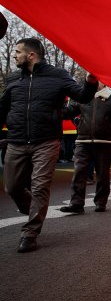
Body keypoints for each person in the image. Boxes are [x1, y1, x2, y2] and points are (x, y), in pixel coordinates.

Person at [0, 38, 98, 252]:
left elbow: (82, 96)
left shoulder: (59, 76)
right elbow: (2, 108)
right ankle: (34, 210)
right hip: (16, 141)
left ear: (31, 55)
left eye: (17, 52)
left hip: (46, 141)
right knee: (12, 187)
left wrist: (90, 82)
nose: (15, 55)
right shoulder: (13, 79)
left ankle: (30, 233)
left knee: (39, 186)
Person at [60, 82, 111, 213]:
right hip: (83, 141)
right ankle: (76, 203)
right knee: (79, 172)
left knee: (102, 174)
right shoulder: (82, 96)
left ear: (103, 82)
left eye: (97, 79)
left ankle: (101, 202)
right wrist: (59, 100)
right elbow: (67, 113)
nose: (95, 82)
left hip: (104, 142)